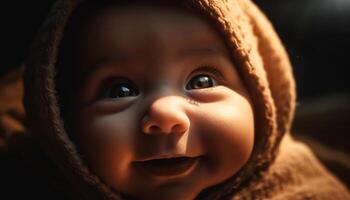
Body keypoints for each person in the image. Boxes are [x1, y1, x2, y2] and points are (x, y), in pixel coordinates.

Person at [0, 0, 349, 199]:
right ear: (61, 125)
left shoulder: (304, 188)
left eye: (201, 80)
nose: (165, 114)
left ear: (263, 98)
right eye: (120, 91)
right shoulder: (29, 179)